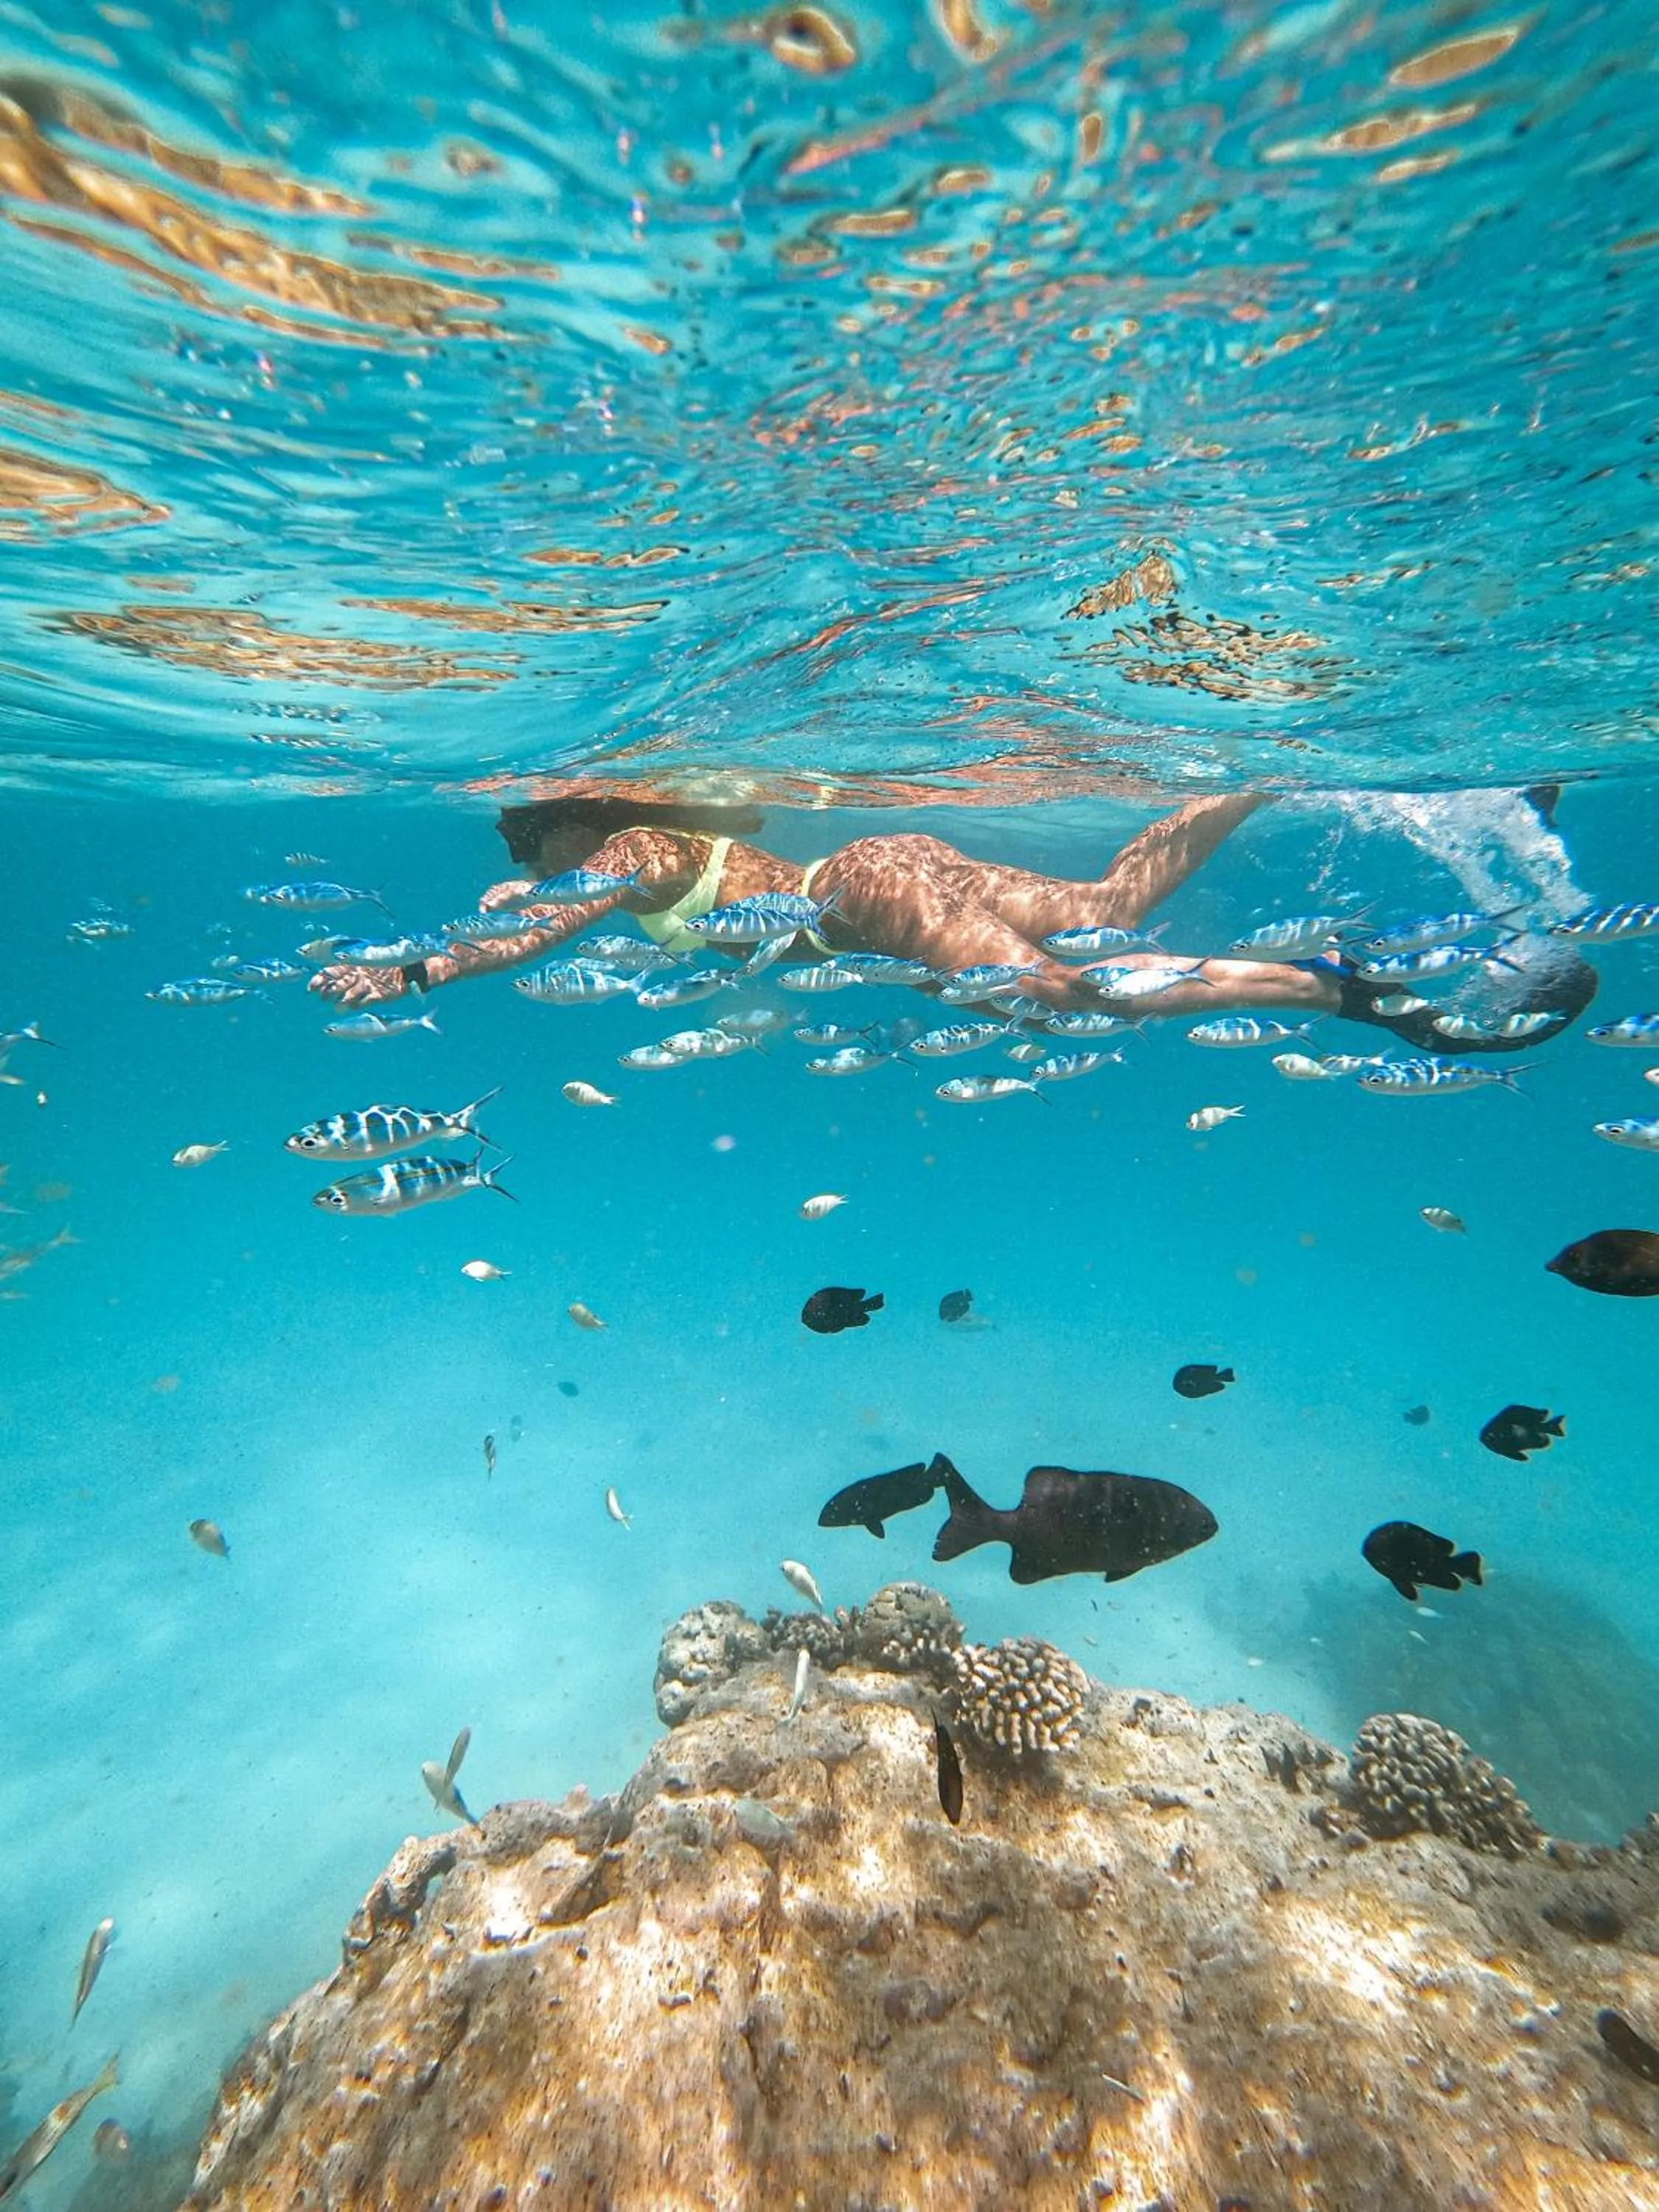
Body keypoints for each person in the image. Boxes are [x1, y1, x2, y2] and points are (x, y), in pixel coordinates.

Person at [308, 788, 1596, 1046]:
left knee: (1075, 1002)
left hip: (864, 903)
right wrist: (519, 892)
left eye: (533, 829)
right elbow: (550, 907)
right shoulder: (618, 857)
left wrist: (417, 972)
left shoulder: (635, 847)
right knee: (1106, 903)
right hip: (883, 878)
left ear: (584, 820)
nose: (530, 843)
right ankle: (1280, 768)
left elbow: (549, 931)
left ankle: (1346, 988)